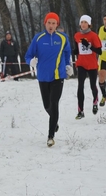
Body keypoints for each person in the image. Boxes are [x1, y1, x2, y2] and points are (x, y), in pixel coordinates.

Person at [25, 12, 72, 147]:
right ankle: (54, 121)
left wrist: (68, 65)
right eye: (49, 23)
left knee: (54, 102)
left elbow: (67, 52)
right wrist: (31, 61)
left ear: (57, 24)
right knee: (47, 105)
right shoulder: (38, 38)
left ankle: (50, 136)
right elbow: (28, 55)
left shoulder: (63, 38)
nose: (51, 26)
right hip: (43, 76)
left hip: (58, 75)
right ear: (45, 23)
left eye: (53, 23)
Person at [73, 15, 102, 119]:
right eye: (82, 22)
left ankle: (95, 101)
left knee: (92, 85)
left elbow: (100, 51)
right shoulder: (76, 35)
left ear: (89, 24)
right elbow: (77, 49)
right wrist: (73, 51)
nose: (83, 24)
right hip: (81, 64)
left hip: (92, 65)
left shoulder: (93, 36)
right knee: (80, 86)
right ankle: (80, 111)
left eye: (85, 22)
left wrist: (89, 46)